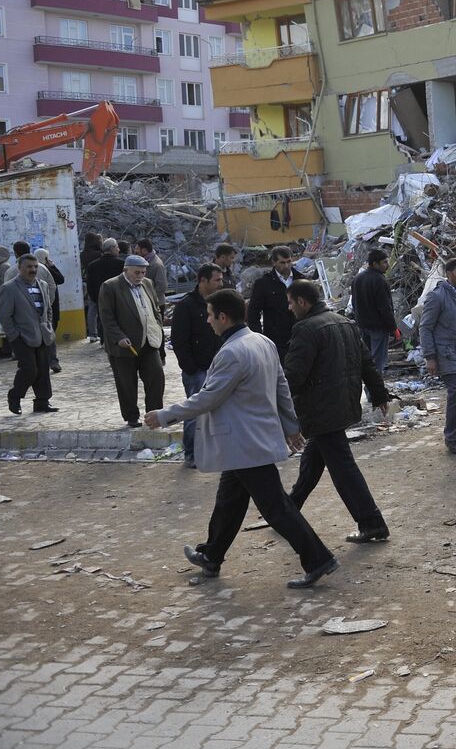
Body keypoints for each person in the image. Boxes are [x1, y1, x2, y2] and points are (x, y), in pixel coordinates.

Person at [147, 289, 338, 589]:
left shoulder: (232, 353)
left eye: (210, 315)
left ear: (223, 317)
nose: (208, 321)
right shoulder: (262, 342)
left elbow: (207, 399)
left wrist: (164, 415)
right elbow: (281, 387)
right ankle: (211, 555)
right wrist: (290, 426)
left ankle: (318, 559)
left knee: (276, 508)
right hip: (247, 443)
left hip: (244, 443)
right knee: (229, 502)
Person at [283, 280, 392, 543]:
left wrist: (280, 408)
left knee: (343, 469)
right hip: (342, 404)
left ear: (302, 302)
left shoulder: (305, 329)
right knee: (313, 460)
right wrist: (379, 394)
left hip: (321, 410)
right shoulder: (344, 322)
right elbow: (367, 363)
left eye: (290, 302)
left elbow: (293, 376)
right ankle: (286, 511)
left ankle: (372, 523)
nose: (289, 308)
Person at [98, 254, 166, 428]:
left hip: (149, 342)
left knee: (156, 377)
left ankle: (154, 415)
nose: (140, 276)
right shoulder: (110, 286)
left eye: (143, 272)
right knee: (127, 384)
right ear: (126, 270)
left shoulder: (148, 283)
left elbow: (155, 308)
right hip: (124, 346)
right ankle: (131, 416)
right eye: (137, 272)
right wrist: (119, 337)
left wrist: (157, 326)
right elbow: (107, 317)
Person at [420, 258, 456, 467]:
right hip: (446, 353)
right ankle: (451, 437)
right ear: (449, 274)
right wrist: (430, 357)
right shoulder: (437, 296)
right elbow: (425, 327)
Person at [171, 264, 224, 468]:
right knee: (194, 413)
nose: (220, 283)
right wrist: (190, 368)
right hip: (197, 371)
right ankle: (191, 454)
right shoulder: (186, 306)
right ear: (203, 281)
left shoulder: (219, 303)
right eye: (217, 280)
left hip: (218, 367)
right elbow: (179, 340)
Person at [0, 254, 57, 414]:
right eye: (29, 267)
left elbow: (48, 309)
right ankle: (14, 396)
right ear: (20, 268)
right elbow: (5, 316)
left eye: (35, 266)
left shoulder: (43, 285)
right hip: (22, 337)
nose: (33, 270)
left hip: (43, 335)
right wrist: (14, 336)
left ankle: (42, 402)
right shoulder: (9, 288)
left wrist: (48, 326)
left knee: (43, 369)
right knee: (29, 369)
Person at [247, 246, 304, 356]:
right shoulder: (263, 284)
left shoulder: (301, 280)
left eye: (289, 261)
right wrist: (259, 339)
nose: (286, 266)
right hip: (276, 340)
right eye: (282, 262)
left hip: (300, 336)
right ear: (274, 262)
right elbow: (253, 313)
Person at [351, 248, 396, 374]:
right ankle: (375, 385)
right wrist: (393, 327)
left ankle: (368, 383)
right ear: (375, 264)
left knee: (366, 359)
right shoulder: (380, 280)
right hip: (378, 327)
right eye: (384, 262)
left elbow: (354, 303)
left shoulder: (358, 278)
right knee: (377, 361)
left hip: (363, 325)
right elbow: (385, 308)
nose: (387, 265)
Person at [85, 238, 124, 342]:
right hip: (119, 298)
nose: (119, 249)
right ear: (112, 249)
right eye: (117, 247)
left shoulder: (92, 265)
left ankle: (104, 340)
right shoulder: (121, 264)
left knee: (103, 319)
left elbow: (90, 286)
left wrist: (96, 298)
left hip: (100, 298)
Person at [34, 249, 65, 373]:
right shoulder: (46, 269)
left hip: (38, 308)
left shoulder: (34, 268)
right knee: (49, 334)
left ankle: (44, 362)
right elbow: (60, 279)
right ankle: (52, 361)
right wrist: (52, 266)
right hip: (49, 308)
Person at [134, 238, 169, 312]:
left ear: (144, 250)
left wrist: (148, 297)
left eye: (137, 249)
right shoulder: (143, 261)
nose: (135, 251)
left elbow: (162, 286)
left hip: (156, 304)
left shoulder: (157, 265)